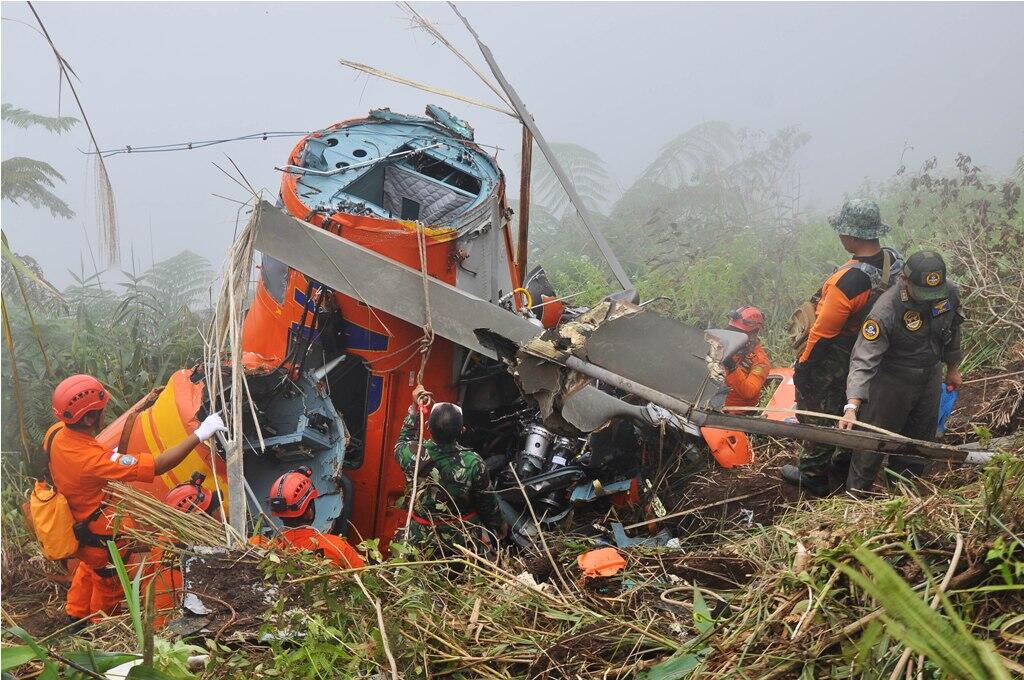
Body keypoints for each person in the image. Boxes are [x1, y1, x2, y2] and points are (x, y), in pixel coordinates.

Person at [45, 374, 227, 621]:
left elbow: (83, 456)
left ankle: (75, 616)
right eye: (101, 411)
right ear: (88, 417)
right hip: (102, 534)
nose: (105, 415)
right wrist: (200, 434)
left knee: (89, 569)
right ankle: (99, 625)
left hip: (80, 527)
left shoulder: (56, 435)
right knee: (108, 583)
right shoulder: (93, 461)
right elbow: (159, 465)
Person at [781, 199, 903, 496]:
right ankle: (843, 462)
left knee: (819, 412)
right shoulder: (894, 260)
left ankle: (812, 475)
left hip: (837, 352)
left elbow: (823, 332)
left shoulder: (848, 281)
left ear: (851, 237)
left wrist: (804, 367)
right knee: (854, 406)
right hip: (870, 349)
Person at [839, 250, 964, 492]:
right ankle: (856, 499)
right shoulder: (886, 309)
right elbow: (864, 359)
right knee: (872, 445)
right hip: (890, 383)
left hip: (930, 377)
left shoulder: (948, 292)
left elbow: (953, 330)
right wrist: (852, 407)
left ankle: (903, 498)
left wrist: (953, 368)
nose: (928, 300)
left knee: (917, 444)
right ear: (905, 281)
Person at [394, 386, 505, 556]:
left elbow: (403, 440)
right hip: (462, 541)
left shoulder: (411, 455)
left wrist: (415, 409)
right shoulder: (473, 462)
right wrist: (498, 524)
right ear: (462, 431)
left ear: (428, 427)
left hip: (420, 540)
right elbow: (486, 502)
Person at [259, 467, 363, 569]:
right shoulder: (337, 547)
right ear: (309, 513)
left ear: (278, 513)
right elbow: (365, 577)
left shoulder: (262, 547)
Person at [722, 306, 771, 412]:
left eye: (738, 333)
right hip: (711, 408)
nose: (733, 336)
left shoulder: (760, 360)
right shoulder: (723, 347)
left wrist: (731, 366)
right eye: (732, 331)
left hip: (739, 416)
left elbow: (749, 391)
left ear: (753, 334)